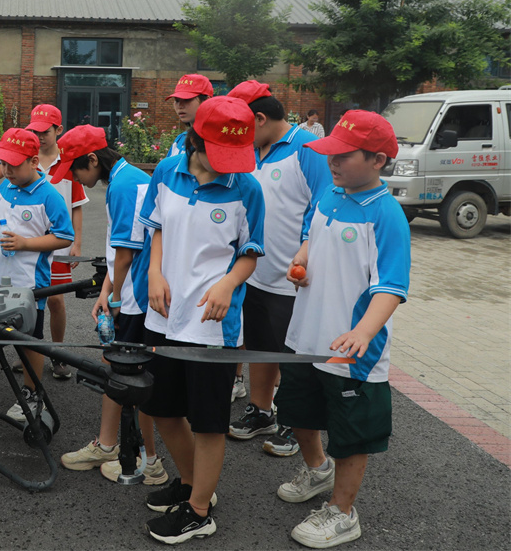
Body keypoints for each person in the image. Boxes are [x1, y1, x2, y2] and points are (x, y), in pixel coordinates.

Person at [275, 110, 409, 549]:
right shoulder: (330, 194)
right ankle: (316, 470)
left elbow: (390, 287)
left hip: (350, 349)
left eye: (344, 156)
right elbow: (314, 238)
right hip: (304, 336)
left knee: (352, 436)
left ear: (378, 160)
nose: (332, 162)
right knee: (297, 411)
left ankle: (343, 512)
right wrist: (301, 262)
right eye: (330, 153)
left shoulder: (387, 215)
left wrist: (364, 333)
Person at [138, 96, 265, 545]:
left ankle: (197, 512)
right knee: (163, 408)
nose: (228, 163)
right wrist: (154, 271)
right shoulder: (165, 172)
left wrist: (229, 284)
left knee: (210, 421)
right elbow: (155, 230)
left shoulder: (246, 188)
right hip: (165, 317)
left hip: (214, 325)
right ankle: (194, 485)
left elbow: (250, 253)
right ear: (195, 139)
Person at [51, 125, 167, 485]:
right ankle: (107, 445)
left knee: (134, 377)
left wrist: (114, 297)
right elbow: (120, 249)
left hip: (136, 298)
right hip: (132, 291)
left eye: (74, 170)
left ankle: (150, 461)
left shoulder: (122, 185)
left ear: (92, 159)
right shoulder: (129, 177)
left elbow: (128, 252)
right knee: (117, 370)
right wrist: (107, 289)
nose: (73, 178)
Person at [225, 81, 332, 458]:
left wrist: (304, 254)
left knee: (292, 352)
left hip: (294, 276)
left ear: (259, 117)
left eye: (242, 126)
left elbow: (323, 206)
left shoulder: (308, 150)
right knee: (258, 345)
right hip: (255, 271)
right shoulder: (251, 152)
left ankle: (293, 418)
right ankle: (262, 410)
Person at [0, 128, 74, 422]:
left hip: (28, 282)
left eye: (13, 165)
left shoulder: (49, 196)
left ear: (33, 161)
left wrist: (26, 244)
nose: (6, 171)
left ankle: (32, 392)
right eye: (3, 164)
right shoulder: (5, 186)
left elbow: (64, 236)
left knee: (31, 338)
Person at [25, 104, 88, 380]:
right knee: (27, 300)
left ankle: (58, 355)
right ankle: (29, 353)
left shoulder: (69, 162)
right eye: (34, 131)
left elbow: (76, 206)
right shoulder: (27, 158)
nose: (39, 137)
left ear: (58, 130)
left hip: (59, 243)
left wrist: (76, 243)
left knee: (56, 302)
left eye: (45, 131)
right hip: (30, 240)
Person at [165, 74, 214, 158]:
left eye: (187, 100)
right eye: (177, 100)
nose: (180, 106)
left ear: (207, 101)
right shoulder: (180, 140)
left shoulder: (218, 140)